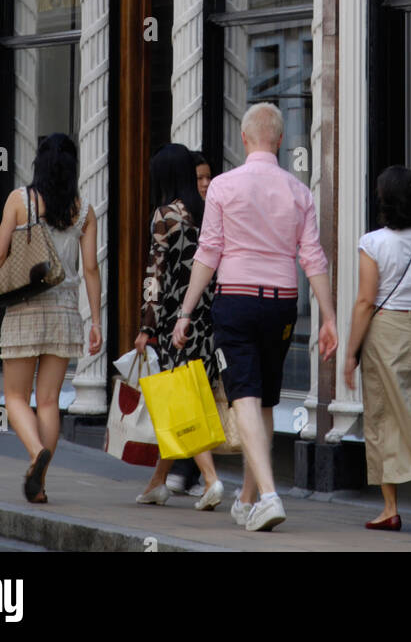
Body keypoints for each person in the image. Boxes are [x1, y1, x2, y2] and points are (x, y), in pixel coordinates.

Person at [173, 102, 338, 532]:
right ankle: (248, 499)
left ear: (244, 140)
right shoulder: (299, 191)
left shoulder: (224, 187)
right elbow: (313, 257)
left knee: (243, 396)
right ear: (280, 141)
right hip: (282, 302)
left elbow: (208, 254)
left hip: (236, 301)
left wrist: (186, 312)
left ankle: (268, 494)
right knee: (264, 398)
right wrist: (329, 317)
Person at [0, 133, 101, 504]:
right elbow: (90, 268)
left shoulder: (20, 200)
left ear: (39, 164)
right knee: (48, 401)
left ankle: (35, 454)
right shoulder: (85, 209)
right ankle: (41, 483)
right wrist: (95, 321)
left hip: (24, 307)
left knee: (15, 395)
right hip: (64, 311)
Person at [344, 165, 411, 531]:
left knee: (381, 418)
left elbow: (365, 302)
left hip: (386, 330)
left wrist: (349, 353)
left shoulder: (372, 243)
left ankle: (391, 506)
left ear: (384, 200)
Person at [133, 143, 224, 510]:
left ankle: (212, 479)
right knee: (188, 396)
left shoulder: (165, 215)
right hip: (209, 315)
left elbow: (154, 275)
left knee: (182, 401)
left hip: (177, 320)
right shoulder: (209, 211)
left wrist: (146, 326)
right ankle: (158, 482)